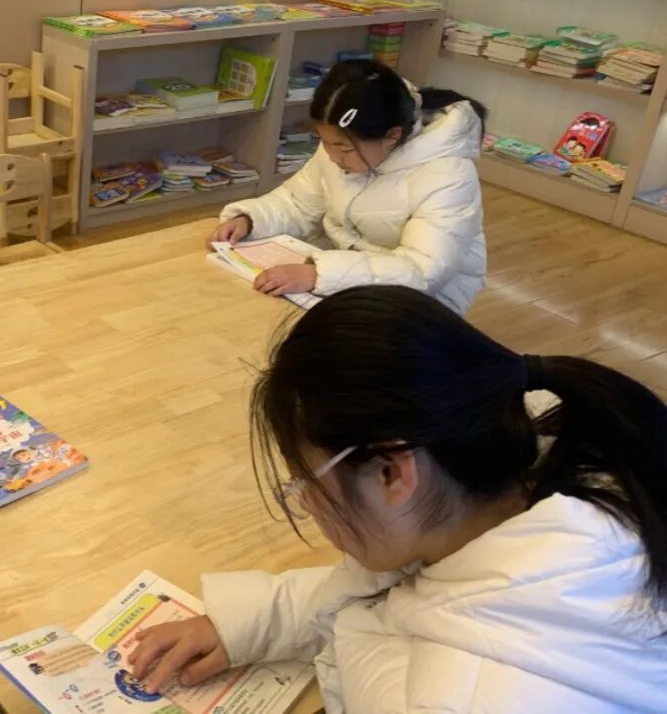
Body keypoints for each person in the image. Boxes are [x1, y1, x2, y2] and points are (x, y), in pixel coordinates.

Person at [129, 286, 667, 713]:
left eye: (304, 485)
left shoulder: (466, 695)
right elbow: (384, 590)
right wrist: (242, 622)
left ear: (391, 472)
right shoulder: (520, 481)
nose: (307, 507)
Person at [211, 60, 488, 314]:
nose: (332, 157)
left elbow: (422, 271)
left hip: (423, 302)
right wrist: (250, 220)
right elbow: (298, 203)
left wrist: (320, 275)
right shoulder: (346, 146)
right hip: (342, 271)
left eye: (343, 148)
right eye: (324, 142)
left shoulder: (448, 176)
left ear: (392, 135)